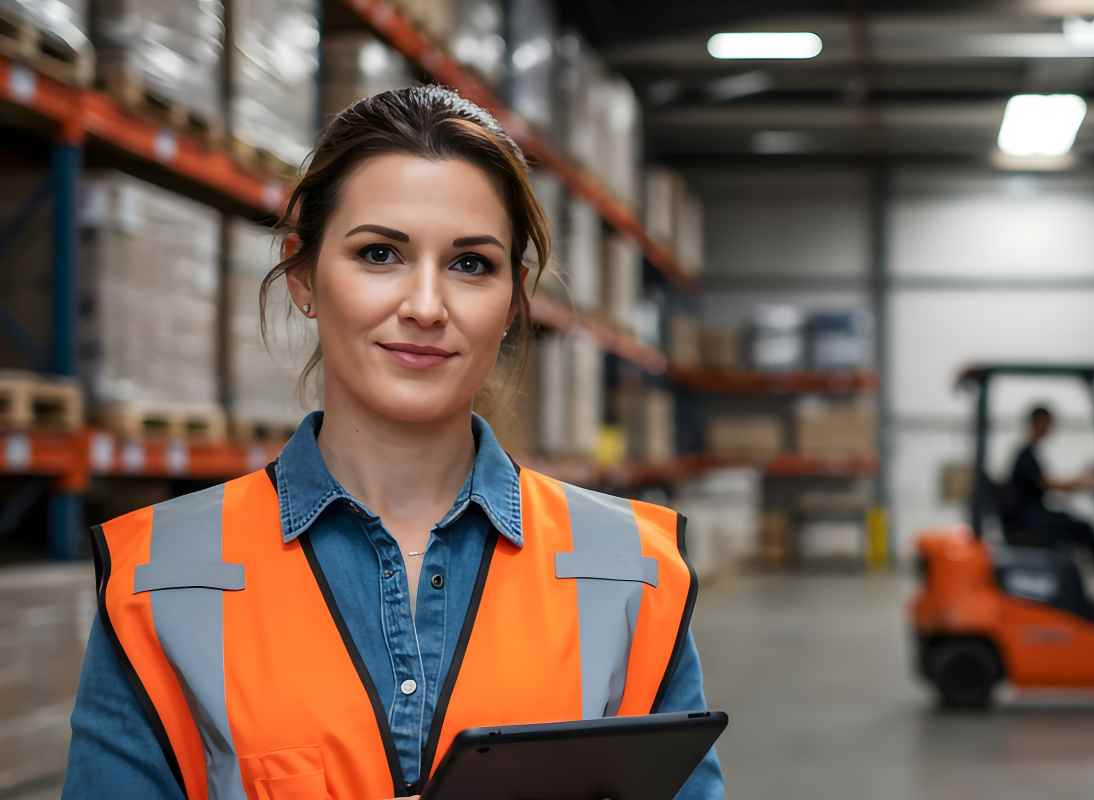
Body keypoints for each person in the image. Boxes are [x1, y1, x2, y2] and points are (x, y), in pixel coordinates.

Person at [62, 86, 724, 800]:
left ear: (512, 301)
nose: (426, 307)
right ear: (303, 275)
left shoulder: (632, 571)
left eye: (471, 264)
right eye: (380, 254)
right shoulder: (161, 577)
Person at [1006, 404, 1094, 580]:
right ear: (1038, 423)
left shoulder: (1030, 453)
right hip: (1029, 520)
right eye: (1048, 424)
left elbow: (1049, 482)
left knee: (1074, 521)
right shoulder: (1025, 454)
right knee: (1085, 528)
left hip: (1033, 515)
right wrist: (1085, 483)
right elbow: (1051, 484)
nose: (1050, 429)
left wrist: (1084, 478)